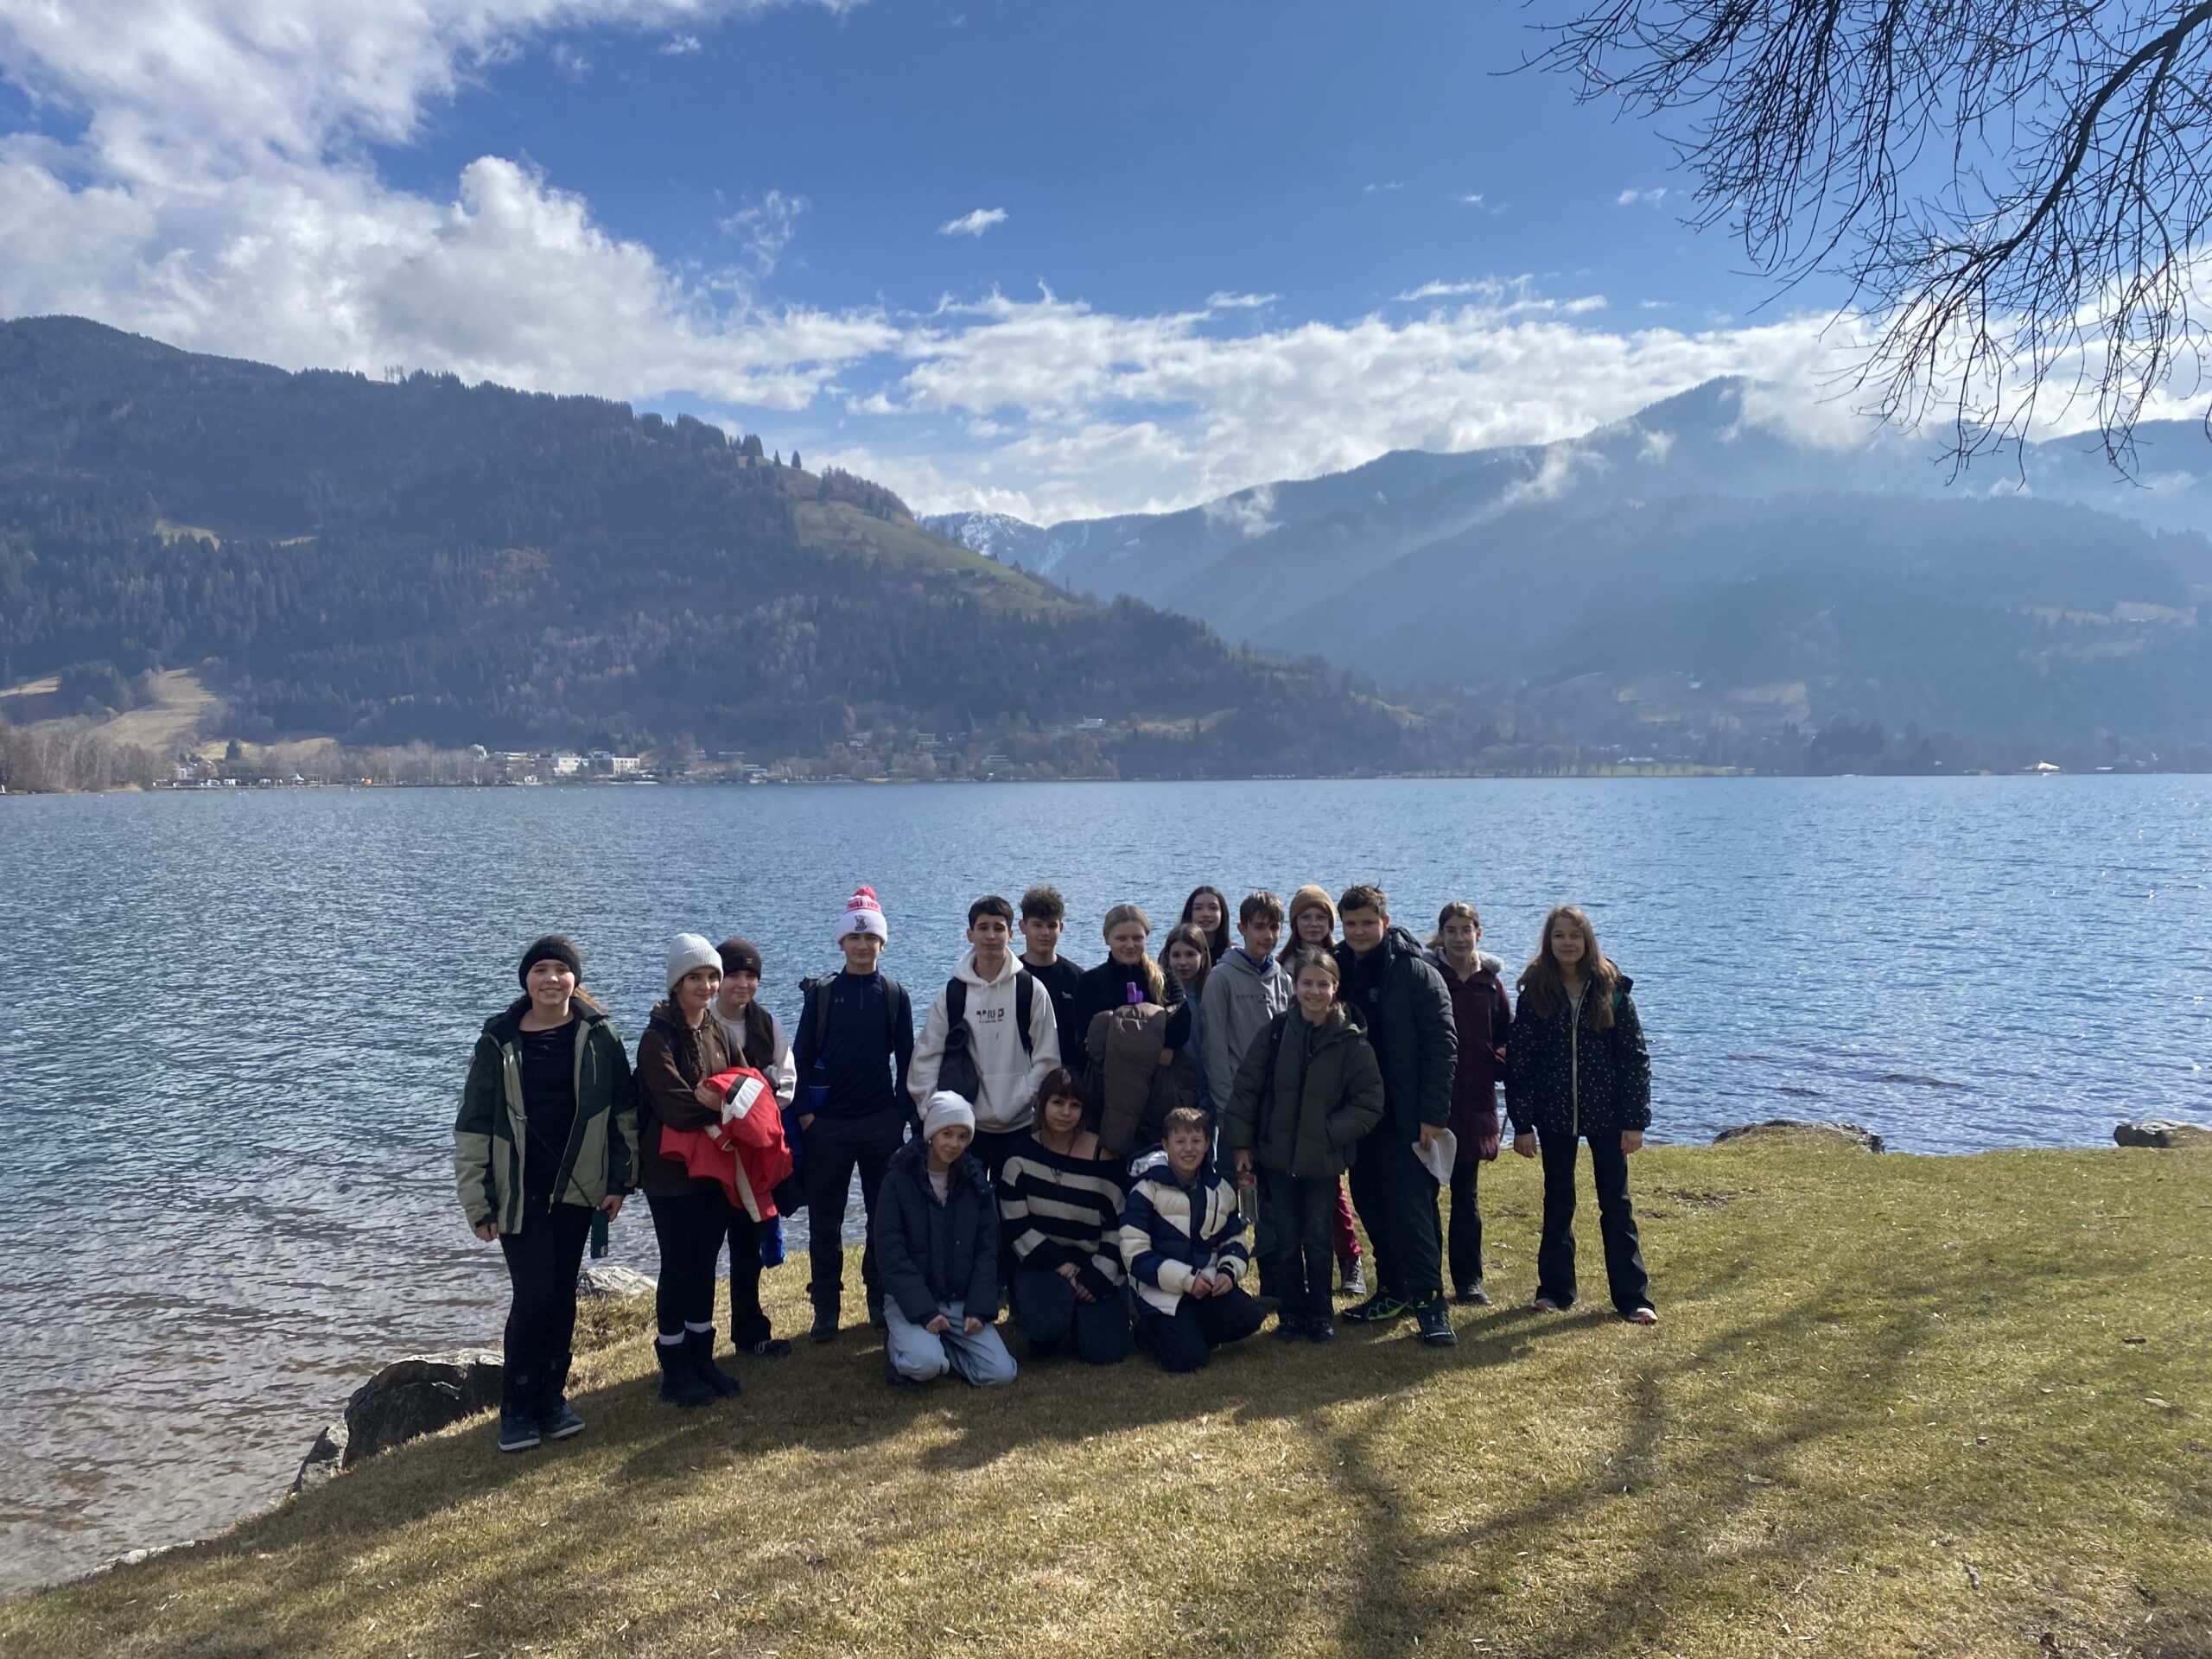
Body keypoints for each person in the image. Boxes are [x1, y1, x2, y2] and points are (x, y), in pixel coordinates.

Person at [454, 935, 638, 1452]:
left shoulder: (600, 1036)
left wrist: (620, 1182)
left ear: (574, 979)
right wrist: (479, 1202)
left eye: (561, 969)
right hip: (519, 1193)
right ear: (526, 980)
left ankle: (552, 1400)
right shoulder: (497, 1041)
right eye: (541, 970)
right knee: (534, 1296)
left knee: (560, 1298)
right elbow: (472, 1127)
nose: (551, 979)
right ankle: (517, 1408)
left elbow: (624, 1113)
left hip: (579, 1190)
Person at [1222, 949, 1384, 1344]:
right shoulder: (1276, 1032)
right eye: (1306, 983)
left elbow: (1370, 1101)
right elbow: (1246, 1089)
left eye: (1322, 984)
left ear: (1335, 987)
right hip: (1276, 1157)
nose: (1314, 991)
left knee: (1318, 1239)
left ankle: (1320, 1314)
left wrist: (1328, 1132)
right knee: (1285, 1239)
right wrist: (1241, 1145)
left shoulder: (1351, 1040)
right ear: (1295, 987)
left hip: (1322, 1161)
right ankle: (1291, 1314)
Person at [1504, 906, 1656, 1325]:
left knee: (1616, 1203)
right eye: (1559, 935)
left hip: (1608, 1113)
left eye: (1575, 935)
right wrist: (1521, 1123)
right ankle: (1555, 1290)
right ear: (1549, 941)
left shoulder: (1613, 989)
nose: (1567, 943)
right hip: (1554, 1113)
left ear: (1587, 941)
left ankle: (1632, 1297)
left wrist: (1635, 1121)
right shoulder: (1535, 991)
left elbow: (1635, 1058)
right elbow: (1520, 1062)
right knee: (1558, 1200)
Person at [1333, 884, 1459, 1347]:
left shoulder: (1415, 970)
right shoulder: (1337, 967)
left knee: (1412, 1212)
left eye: (1368, 923)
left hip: (1406, 1115)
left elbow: (1442, 1045)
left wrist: (1433, 1114)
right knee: (1371, 1203)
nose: (1359, 931)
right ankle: (1392, 1291)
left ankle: (1432, 1306)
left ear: (1385, 923)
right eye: (1351, 924)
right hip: (1360, 1116)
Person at [791, 886, 916, 1344]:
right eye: (854, 938)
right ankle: (826, 1307)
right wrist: (807, 1116)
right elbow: (799, 1059)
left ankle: (878, 1298)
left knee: (882, 1218)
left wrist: (900, 1113)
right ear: (842, 942)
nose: (862, 946)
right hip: (829, 1127)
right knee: (826, 1221)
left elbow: (909, 1060)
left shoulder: (894, 994)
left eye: (870, 938)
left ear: (882, 943)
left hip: (880, 1124)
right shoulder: (824, 994)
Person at [634, 933, 746, 1406]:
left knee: (705, 1264)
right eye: (694, 977)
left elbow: (747, 1085)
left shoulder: (719, 1031)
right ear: (676, 983)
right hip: (670, 1174)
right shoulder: (656, 1038)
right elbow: (676, 1108)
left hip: (715, 1168)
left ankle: (702, 1357)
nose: (706, 986)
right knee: (678, 1266)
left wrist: (722, 1099)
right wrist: (721, 1104)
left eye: (712, 977)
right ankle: (674, 1370)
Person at [908, 895, 1061, 1185]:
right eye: (983, 928)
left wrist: (1021, 1099)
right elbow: (926, 1060)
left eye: (999, 928)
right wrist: (937, 1114)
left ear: (1011, 934)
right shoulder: (952, 994)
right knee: (963, 1203)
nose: (991, 936)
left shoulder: (1031, 990)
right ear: (970, 934)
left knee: (1013, 1205)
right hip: (964, 1127)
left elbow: (1048, 1059)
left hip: (1019, 1125)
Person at [874, 1092, 1019, 1387]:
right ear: (931, 1134)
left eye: (963, 1136)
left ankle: (941, 1347)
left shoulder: (976, 1184)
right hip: (911, 1300)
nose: (954, 1144)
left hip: (959, 1300)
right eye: (947, 1134)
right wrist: (923, 1310)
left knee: (1001, 1373)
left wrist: (978, 1308)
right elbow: (891, 1255)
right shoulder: (897, 1181)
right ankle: (902, 1348)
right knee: (924, 1365)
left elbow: (987, 1251)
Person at [1121, 1105, 1271, 1371]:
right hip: (1161, 1290)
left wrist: (1227, 1272)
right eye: (1180, 1141)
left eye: (1196, 1141)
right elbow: (1136, 1256)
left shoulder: (1221, 1190)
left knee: (1250, 1318)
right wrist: (1186, 1280)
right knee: (1189, 1360)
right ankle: (1147, 1333)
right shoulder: (1145, 1191)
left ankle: (1190, 1330)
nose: (1188, 1149)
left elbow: (1234, 1241)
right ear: (1166, 1145)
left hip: (1207, 1284)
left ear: (1208, 1144)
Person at [997, 1068, 1131, 1364]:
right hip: (1043, 1263)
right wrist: (1064, 1267)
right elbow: (1017, 1228)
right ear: (1041, 1104)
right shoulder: (1018, 1158)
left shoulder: (1103, 1156)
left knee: (1105, 1352)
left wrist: (1099, 1275)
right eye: (1057, 1103)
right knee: (1046, 1327)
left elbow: (1118, 1225)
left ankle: (1088, 1315)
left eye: (1075, 1105)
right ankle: (1050, 1318)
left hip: (1095, 1260)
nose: (1066, 1112)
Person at [1278, 884, 1369, 1300]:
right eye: (1305, 917)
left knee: (1332, 1190)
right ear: (1294, 923)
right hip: (1291, 1087)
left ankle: (1350, 1259)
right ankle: (1294, 1275)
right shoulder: (1282, 965)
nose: (1313, 924)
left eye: (1321, 917)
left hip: (1333, 1085)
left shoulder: (1345, 960)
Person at [708, 936, 794, 1357]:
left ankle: (750, 1332)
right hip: (713, 1149)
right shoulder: (702, 1022)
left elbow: (787, 1083)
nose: (742, 984)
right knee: (705, 1248)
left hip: (755, 1152)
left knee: (747, 1245)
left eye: (751, 976)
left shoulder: (767, 1024)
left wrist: (752, 1109)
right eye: (733, 975)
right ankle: (695, 1338)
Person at [1427, 902, 1512, 1306]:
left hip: (1476, 1100)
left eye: (1466, 930)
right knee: (1425, 1195)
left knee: (1467, 1196)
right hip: (1434, 1100)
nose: (1459, 938)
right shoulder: (1430, 977)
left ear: (1479, 933)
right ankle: (1427, 1279)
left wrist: (1496, 1059)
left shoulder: (1490, 985)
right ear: (1441, 935)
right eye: (1452, 930)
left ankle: (1469, 1281)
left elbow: (1507, 1035)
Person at [1072, 905, 1197, 1156]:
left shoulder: (1166, 980)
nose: (1130, 945)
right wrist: (1154, 1037)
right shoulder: (1090, 982)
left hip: (1158, 1096)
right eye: (1121, 938)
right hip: (1106, 1096)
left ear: (1146, 938)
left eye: (1137, 938)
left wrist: (1118, 1031)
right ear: (1106, 938)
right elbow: (1092, 1040)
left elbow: (1179, 1032)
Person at [1019, 885, 1086, 1047]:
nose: (1045, 933)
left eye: (1051, 926)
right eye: (1037, 925)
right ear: (1023, 927)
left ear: (1061, 928)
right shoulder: (1010, 974)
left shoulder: (1078, 978)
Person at [1161, 921, 1216, 1120]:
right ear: (1167, 958)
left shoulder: (1211, 996)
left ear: (1203, 958)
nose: (1183, 962)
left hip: (1206, 1089)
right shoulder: (1159, 998)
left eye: (1190, 954)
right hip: (1170, 1088)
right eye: (1176, 955)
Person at [1179, 885, 1232, 965]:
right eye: (1198, 908)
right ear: (1190, 913)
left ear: (1222, 914)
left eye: (1213, 908)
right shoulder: (1174, 953)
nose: (1206, 914)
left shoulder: (1234, 955)